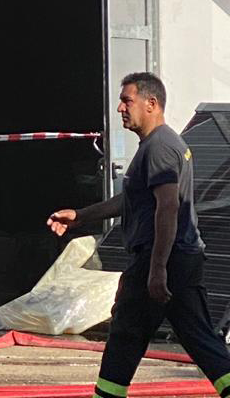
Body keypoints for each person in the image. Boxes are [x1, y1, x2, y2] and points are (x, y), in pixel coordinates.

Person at [47, 72, 230, 398]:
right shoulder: (158, 145)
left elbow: (168, 207)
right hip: (178, 258)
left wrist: (157, 269)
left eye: (127, 100)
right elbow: (131, 199)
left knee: (126, 333)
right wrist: (80, 216)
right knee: (196, 336)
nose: (120, 108)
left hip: (162, 258)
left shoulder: (160, 147)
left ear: (151, 103)